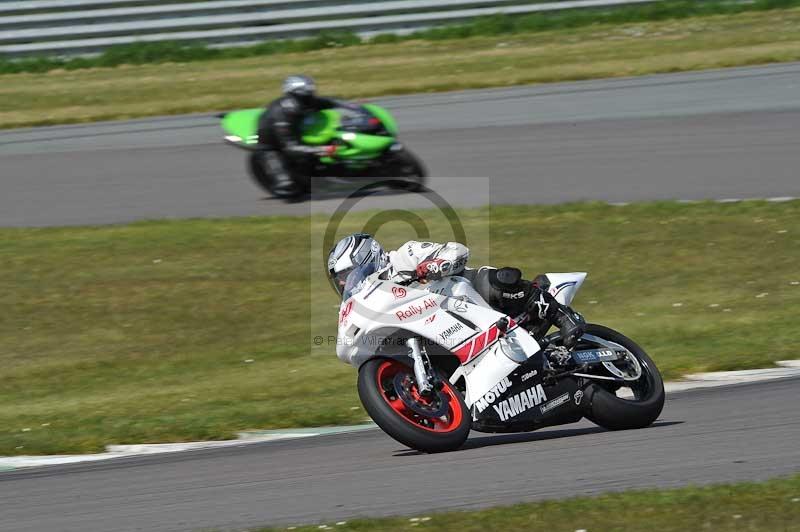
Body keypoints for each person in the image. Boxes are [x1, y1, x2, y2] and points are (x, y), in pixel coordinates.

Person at [327, 233, 586, 349]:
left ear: (365, 258)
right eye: (341, 281)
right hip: (442, 329)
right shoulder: (374, 298)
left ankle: (563, 315)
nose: (344, 284)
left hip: (467, 296)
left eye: (345, 276)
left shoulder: (404, 256)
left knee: (493, 280)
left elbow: (458, 250)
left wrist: (434, 265)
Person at [257, 74, 363, 197]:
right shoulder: (283, 116)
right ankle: (283, 180)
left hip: (300, 131)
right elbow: (291, 147)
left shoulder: (307, 101)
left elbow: (331, 101)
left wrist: (356, 107)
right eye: (305, 94)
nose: (310, 97)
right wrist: (321, 150)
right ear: (294, 94)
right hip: (273, 142)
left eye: (311, 92)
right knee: (287, 184)